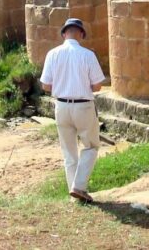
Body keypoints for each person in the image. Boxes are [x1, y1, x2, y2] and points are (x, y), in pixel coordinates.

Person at [40, 17, 106, 203]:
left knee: (69, 152)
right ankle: (79, 187)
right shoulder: (87, 55)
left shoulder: (52, 54)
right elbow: (98, 86)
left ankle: (75, 195)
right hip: (83, 106)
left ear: (64, 34)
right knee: (91, 146)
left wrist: (63, 85)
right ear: (81, 35)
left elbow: (45, 85)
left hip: (61, 106)